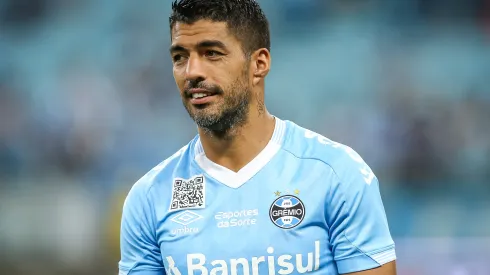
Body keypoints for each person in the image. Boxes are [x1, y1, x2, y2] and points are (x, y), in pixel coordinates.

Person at [118, 0, 397, 274]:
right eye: (180, 57)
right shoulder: (150, 198)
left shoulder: (336, 174)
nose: (192, 72)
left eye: (212, 53)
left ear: (259, 64)